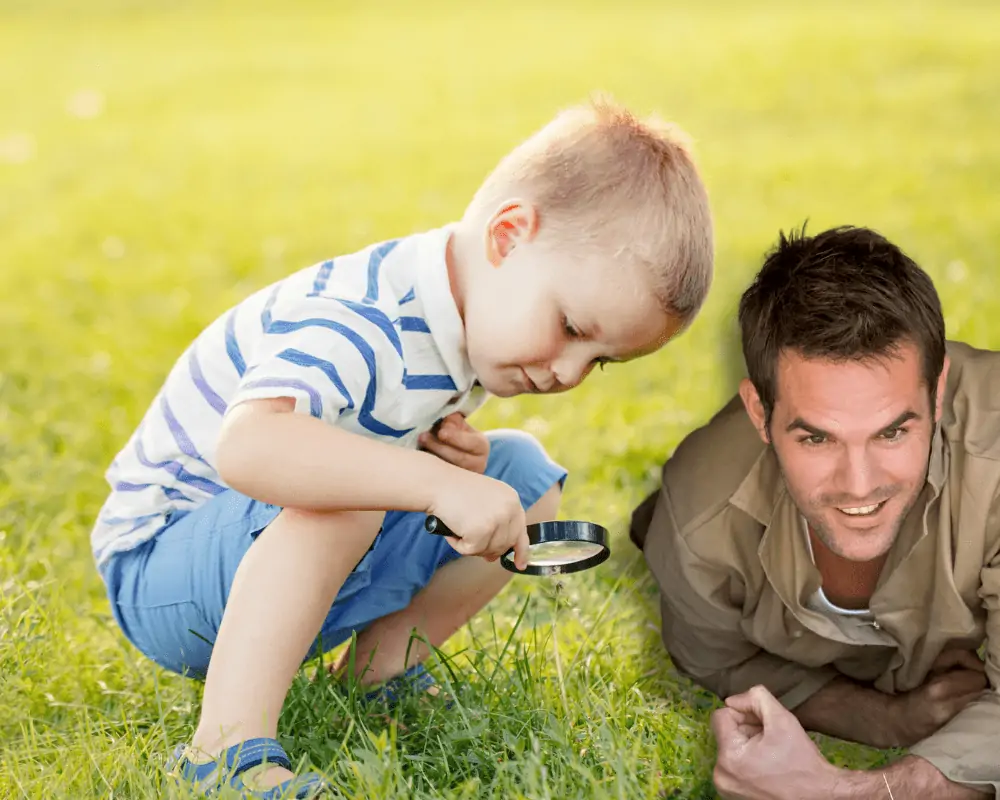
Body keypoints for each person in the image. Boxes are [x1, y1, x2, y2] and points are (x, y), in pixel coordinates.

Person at [92, 96, 714, 798]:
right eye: (571, 327)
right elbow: (250, 446)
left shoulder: (462, 327)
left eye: (599, 361)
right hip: (163, 574)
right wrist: (431, 488)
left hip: (266, 554)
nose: (569, 373)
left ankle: (378, 675)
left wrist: (448, 467)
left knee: (525, 480)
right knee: (351, 496)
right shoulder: (365, 320)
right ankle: (222, 754)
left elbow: (378, 449)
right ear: (508, 238)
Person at [630, 225, 999, 798]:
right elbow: (717, 658)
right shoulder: (699, 516)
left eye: (893, 432)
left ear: (938, 389)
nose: (859, 485)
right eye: (817, 440)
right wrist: (879, 718)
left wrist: (850, 792)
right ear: (758, 411)